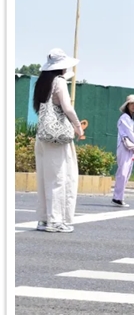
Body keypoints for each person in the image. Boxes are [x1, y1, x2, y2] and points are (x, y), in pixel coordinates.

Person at [33, 48, 84, 233]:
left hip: (43, 135)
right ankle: (55, 221)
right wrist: (78, 126)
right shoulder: (60, 81)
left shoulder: (42, 82)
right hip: (57, 138)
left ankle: (44, 219)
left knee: (44, 178)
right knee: (59, 178)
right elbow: (67, 108)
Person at [113, 94, 134, 208]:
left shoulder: (130, 120)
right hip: (124, 147)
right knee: (123, 172)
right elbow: (129, 134)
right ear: (127, 106)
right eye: (131, 103)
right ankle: (117, 197)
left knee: (126, 172)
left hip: (129, 148)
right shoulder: (124, 118)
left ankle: (119, 197)